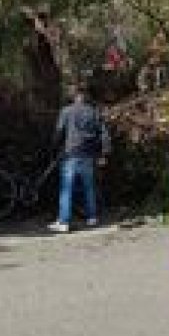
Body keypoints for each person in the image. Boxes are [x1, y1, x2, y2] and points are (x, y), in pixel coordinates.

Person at [48, 83, 111, 233]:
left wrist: (53, 148)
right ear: (85, 96)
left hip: (71, 153)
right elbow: (104, 134)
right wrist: (104, 153)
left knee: (66, 188)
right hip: (88, 155)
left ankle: (63, 222)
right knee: (89, 186)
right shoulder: (94, 112)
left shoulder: (66, 111)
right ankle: (92, 217)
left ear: (74, 96)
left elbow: (58, 133)